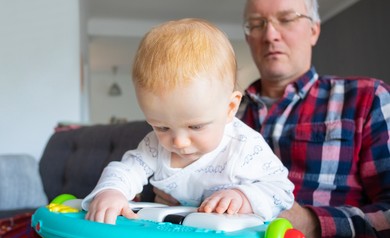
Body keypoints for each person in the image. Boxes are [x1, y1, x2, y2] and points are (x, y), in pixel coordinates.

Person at [155, 0, 390, 238]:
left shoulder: (367, 98)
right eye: (257, 24)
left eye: (287, 19)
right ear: (247, 36)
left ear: (313, 30)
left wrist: (311, 224)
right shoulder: (211, 114)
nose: (269, 35)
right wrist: (176, 197)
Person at [81, 18, 295, 226]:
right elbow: (126, 170)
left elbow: (282, 190)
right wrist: (111, 192)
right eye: (162, 127)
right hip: (180, 236)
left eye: (196, 126)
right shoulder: (154, 145)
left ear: (230, 108)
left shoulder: (244, 146)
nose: (179, 142)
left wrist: (244, 197)